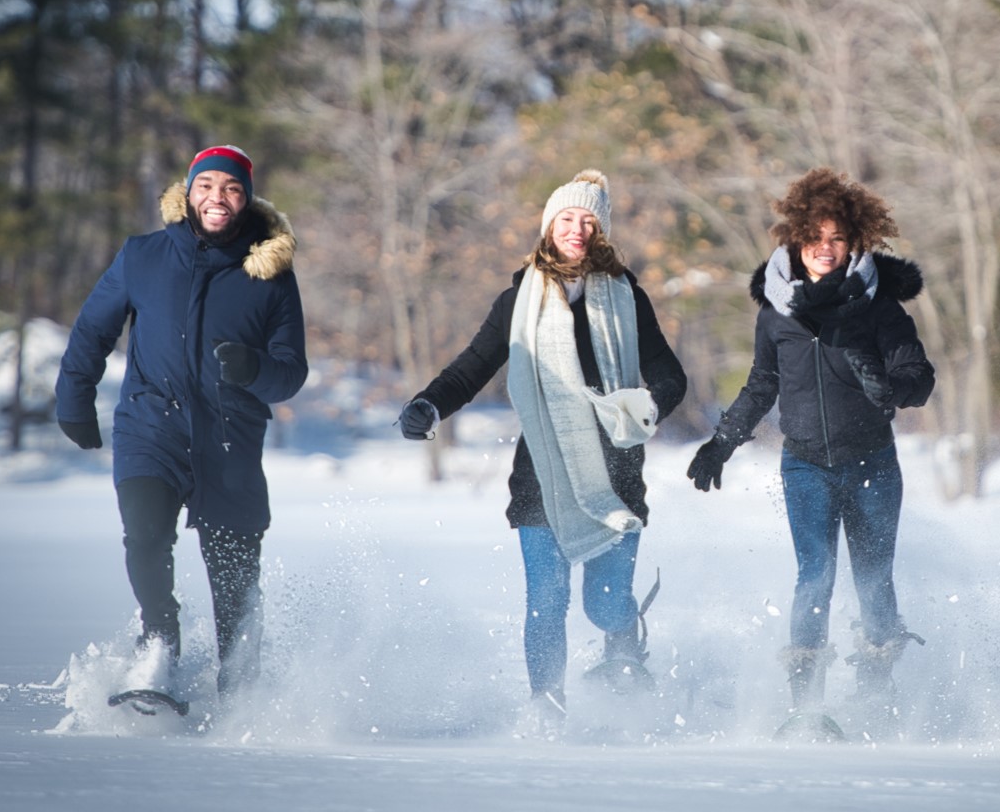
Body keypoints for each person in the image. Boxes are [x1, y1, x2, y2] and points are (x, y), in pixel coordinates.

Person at [398, 169, 686, 722]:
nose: (577, 229)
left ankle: (624, 644)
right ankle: (545, 708)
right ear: (549, 225)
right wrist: (429, 404)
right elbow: (473, 365)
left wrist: (648, 404)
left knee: (603, 606)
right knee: (546, 603)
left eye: (589, 221)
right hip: (541, 474)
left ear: (600, 231)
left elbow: (668, 374)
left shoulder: (626, 297)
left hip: (616, 471)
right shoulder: (519, 301)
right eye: (567, 218)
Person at [55, 145, 309, 698]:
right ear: (188, 192)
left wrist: (254, 369)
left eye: (232, 188)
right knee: (145, 539)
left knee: (235, 581)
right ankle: (158, 650)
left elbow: (290, 375)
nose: (219, 197)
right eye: (208, 185)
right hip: (151, 428)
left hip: (230, 440)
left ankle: (241, 690)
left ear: (247, 199)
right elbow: (93, 329)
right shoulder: (143, 256)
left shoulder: (269, 276)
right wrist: (74, 398)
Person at [686, 167, 935, 719]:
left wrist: (888, 385)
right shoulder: (776, 313)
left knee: (873, 579)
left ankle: (875, 694)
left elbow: (920, 378)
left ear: (854, 244)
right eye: (814, 238)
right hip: (805, 466)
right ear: (796, 241)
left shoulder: (880, 308)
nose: (825, 248)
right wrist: (721, 442)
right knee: (815, 574)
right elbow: (762, 384)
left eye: (836, 239)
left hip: (872, 463)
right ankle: (806, 708)